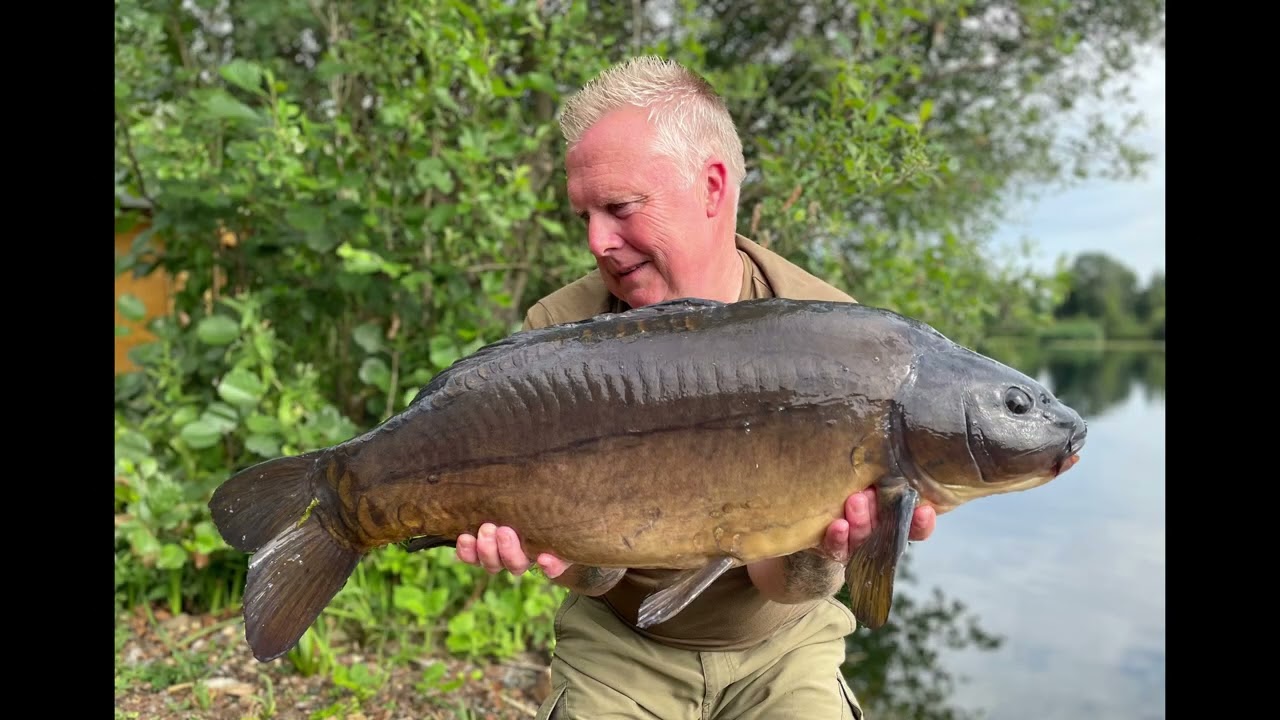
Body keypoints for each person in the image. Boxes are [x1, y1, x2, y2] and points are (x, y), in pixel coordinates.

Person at [454, 56, 938, 719]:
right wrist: (547, 544)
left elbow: (785, 586)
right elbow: (597, 579)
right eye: (585, 216)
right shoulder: (559, 338)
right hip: (619, 640)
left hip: (782, 645)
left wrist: (831, 548)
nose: (598, 241)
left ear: (711, 187)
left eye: (620, 208)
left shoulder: (837, 342)